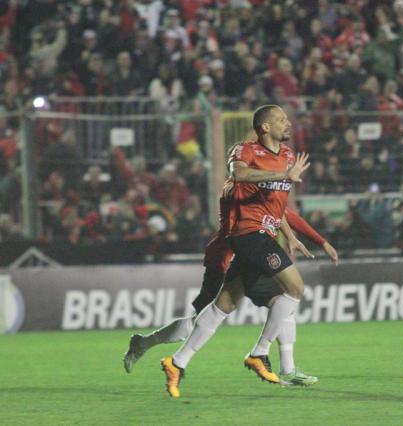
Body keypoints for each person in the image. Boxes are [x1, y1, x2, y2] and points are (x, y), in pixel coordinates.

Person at [160, 105, 314, 397]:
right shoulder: (245, 150)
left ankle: (177, 362)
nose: (288, 123)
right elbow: (239, 174)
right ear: (265, 127)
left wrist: (290, 235)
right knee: (294, 288)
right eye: (281, 119)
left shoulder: (289, 156)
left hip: (265, 232)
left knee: (224, 304)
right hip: (248, 232)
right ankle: (260, 352)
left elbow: (276, 206)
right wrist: (284, 174)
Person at [122, 199, 338, 375]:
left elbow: (286, 215)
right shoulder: (243, 190)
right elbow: (280, 216)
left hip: (246, 261)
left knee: (284, 300)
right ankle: (145, 344)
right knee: (197, 323)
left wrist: (321, 242)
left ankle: (287, 368)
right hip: (225, 262)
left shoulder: (259, 190)